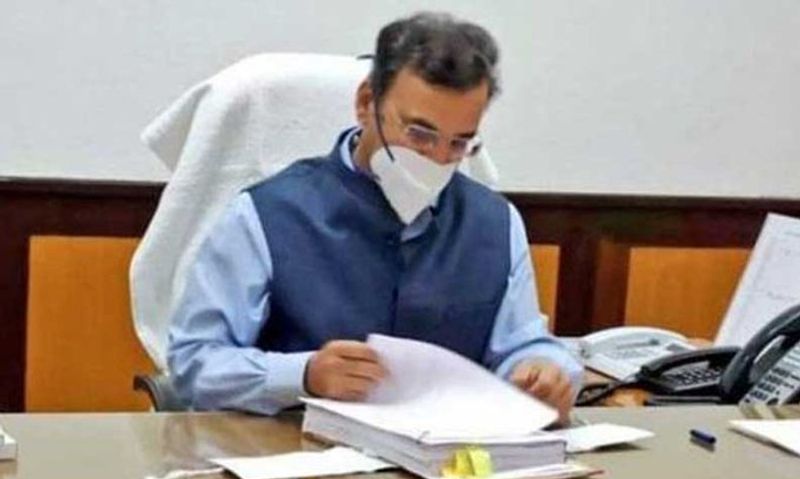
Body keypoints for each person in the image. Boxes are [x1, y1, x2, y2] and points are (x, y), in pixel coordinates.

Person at [167, 12, 582, 421]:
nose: (437, 159)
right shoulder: (266, 215)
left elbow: (523, 346)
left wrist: (545, 371)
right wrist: (303, 374)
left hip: (448, 455)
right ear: (367, 104)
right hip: (295, 451)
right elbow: (194, 363)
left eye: (459, 143)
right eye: (419, 134)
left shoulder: (495, 223)